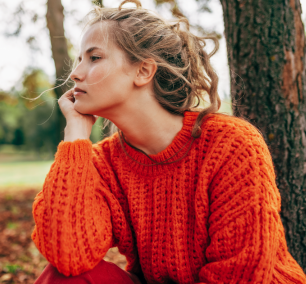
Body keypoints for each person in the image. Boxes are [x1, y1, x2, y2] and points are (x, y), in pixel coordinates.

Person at [31, 1, 306, 283]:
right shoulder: (104, 163)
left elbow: (240, 275)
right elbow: (67, 255)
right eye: (79, 59)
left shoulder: (231, 145)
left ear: (143, 71)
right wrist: (75, 136)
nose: (76, 73)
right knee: (64, 277)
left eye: (94, 58)